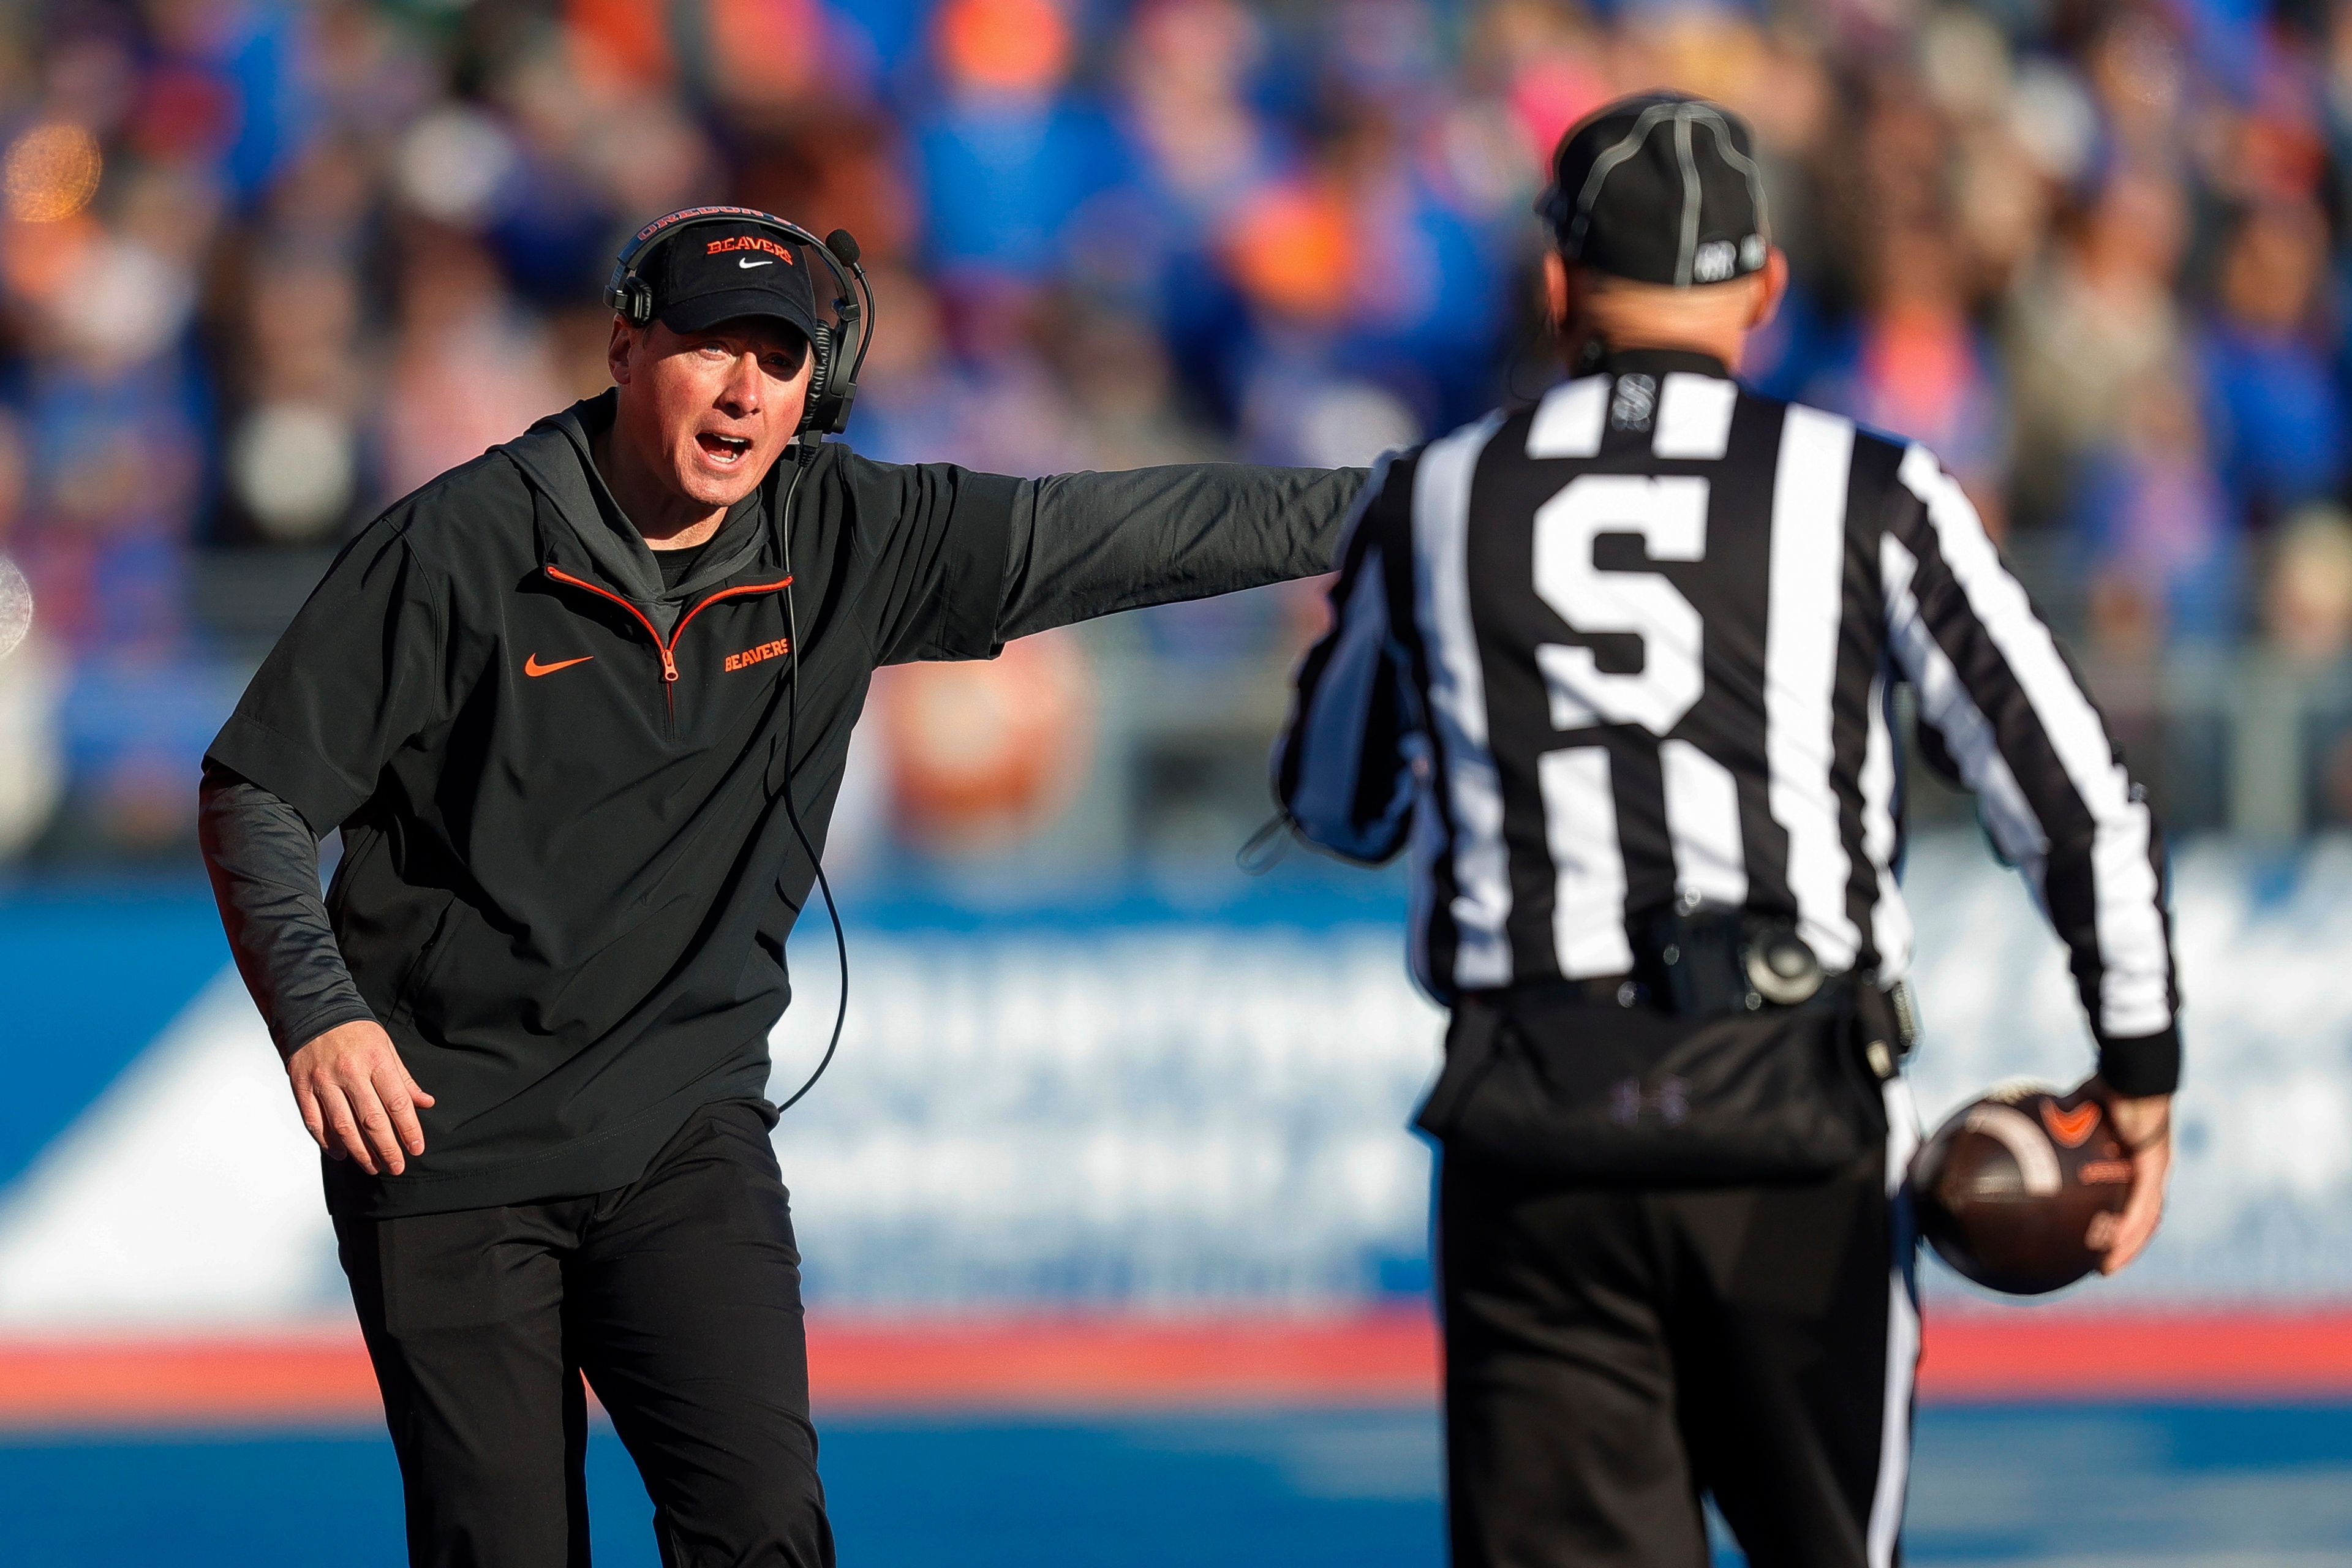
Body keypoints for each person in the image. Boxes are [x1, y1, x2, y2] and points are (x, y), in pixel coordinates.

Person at [196, 206, 1364, 1567]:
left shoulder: (846, 532)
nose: (747, 389)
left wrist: (1396, 503)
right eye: (710, 347)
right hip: (447, 1143)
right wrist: (320, 1011)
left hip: (681, 1128)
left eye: (782, 356)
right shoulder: (460, 544)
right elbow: (259, 789)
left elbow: (1119, 529)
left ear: (823, 384)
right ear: (628, 348)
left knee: (762, 1530)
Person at [1272, 95, 2180, 1568]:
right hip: (1795, 1112)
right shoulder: (1872, 490)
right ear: (1764, 286)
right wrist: (2138, 1077)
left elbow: (1334, 798)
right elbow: (2078, 804)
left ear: (1557, 280)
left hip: (1539, 1112)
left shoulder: (1437, 495)